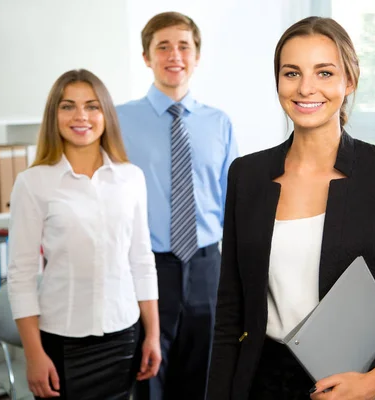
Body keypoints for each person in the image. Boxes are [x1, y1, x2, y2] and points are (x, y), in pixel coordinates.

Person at [207, 16, 375, 400]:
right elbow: (229, 311)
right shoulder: (246, 175)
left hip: (348, 382)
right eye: (291, 73)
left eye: (324, 72)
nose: (305, 88)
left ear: (349, 81)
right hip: (258, 380)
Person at [7, 69, 161, 399]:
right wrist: (33, 355)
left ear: (106, 113)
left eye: (92, 106)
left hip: (124, 338)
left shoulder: (130, 177)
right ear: (54, 115)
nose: (81, 116)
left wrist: (152, 335)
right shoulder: (33, 183)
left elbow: (141, 261)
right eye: (68, 106)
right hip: (60, 343)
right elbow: (20, 276)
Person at [116, 11, 239, 400]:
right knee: (147, 375)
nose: (175, 55)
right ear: (146, 57)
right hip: (146, 267)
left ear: (197, 56)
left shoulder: (219, 123)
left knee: (202, 376)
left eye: (184, 46)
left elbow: (231, 200)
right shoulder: (118, 121)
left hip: (207, 265)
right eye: (163, 46)